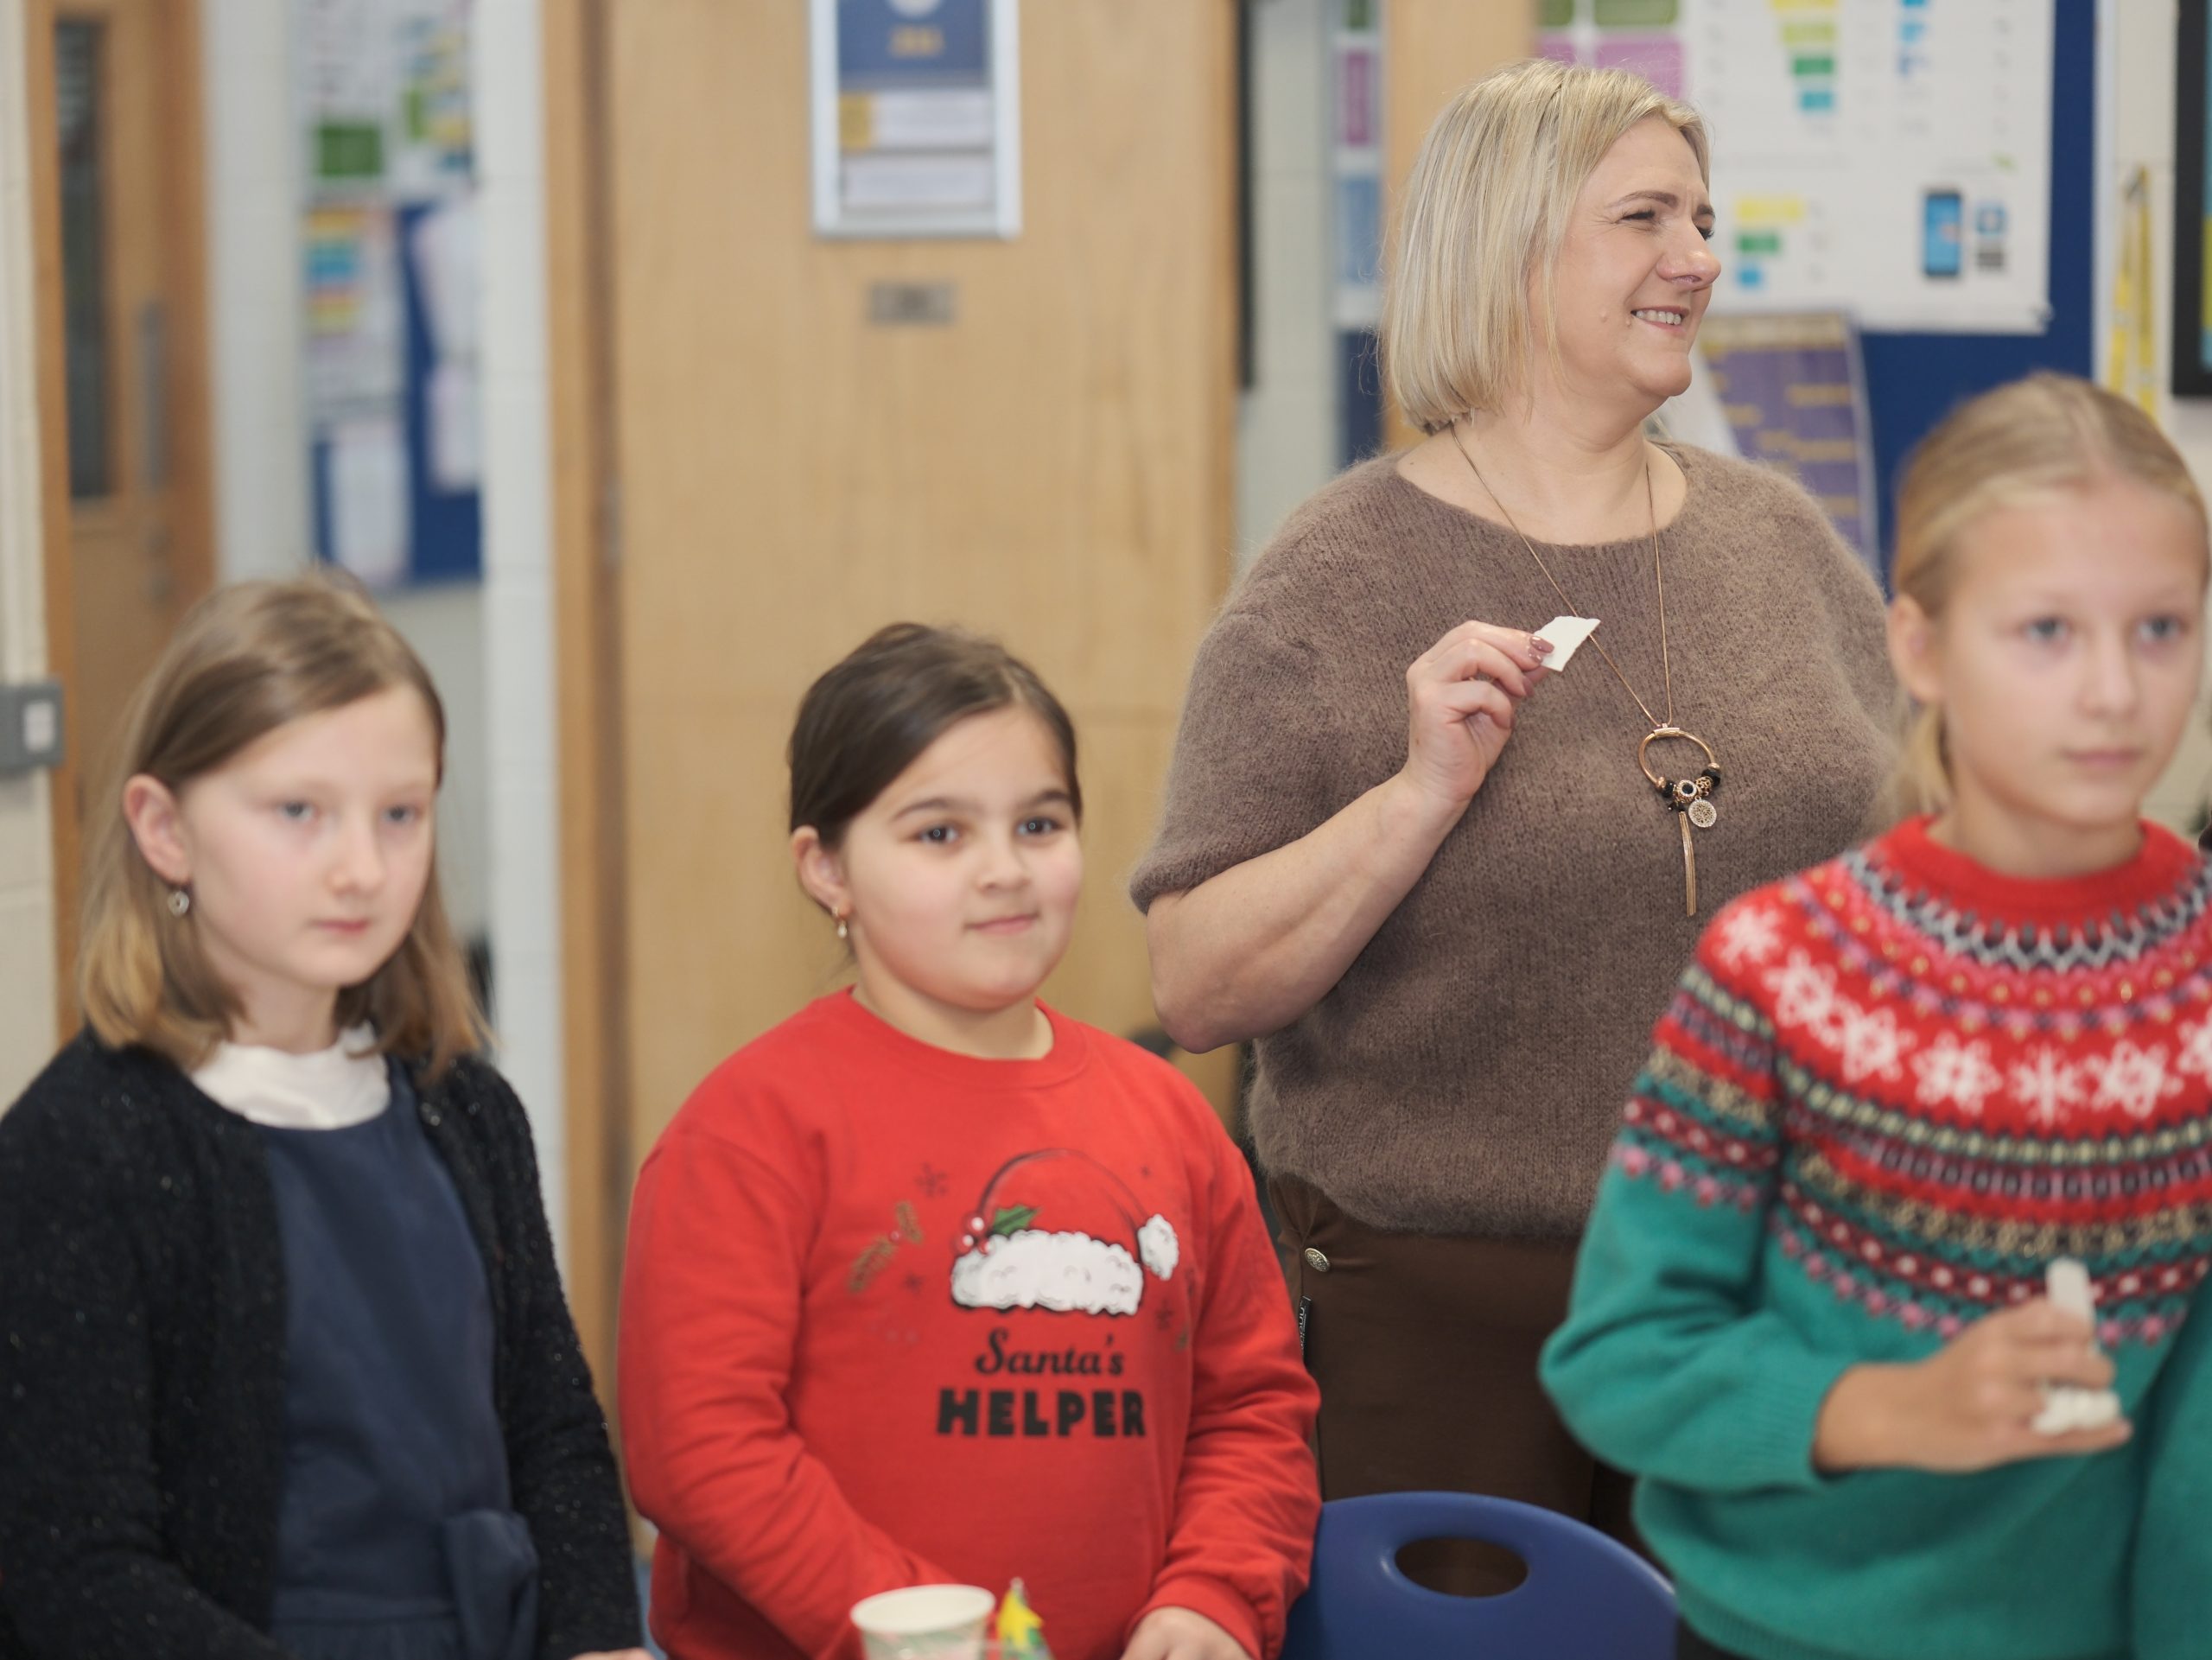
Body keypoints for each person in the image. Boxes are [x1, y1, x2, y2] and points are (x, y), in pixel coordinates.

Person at [1129, 58, 1893, 1571]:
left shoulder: (1783, 544)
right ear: (1509, 249)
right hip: (1442, 1332)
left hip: (1764, 1296)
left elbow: (1905, 873)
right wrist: (1418, 798)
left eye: (1704, 219)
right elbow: (1198, 983)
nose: (1698, 258)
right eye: (1645, 219)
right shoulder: (1333, 579)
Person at [1541, 373, 2212, 1660]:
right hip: (1776, 1634)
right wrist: (1893, 1408)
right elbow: (1623, 1357)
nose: (2114, 692)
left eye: (2161, 629)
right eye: (2046, 631)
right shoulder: (1786, 970)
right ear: (1920, 649)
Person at [618, 624, 1319, 1660]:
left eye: (1039, 824)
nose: (1004, 871)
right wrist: (923, 1634)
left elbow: (1250, 1407)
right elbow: (700, 1448)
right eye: (940, 834)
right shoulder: (749, 1129)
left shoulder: (1170, 1118)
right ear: (826, 868)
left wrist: (1213, 1593)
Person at [0, 575, 643, 1660]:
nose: (362, 868)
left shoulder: (466, 1109)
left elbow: (554, 1430)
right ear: (165, 829)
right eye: (299, 812)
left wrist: (599, 1639)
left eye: (400, 814)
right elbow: (79, 1568)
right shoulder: (81, 1150)